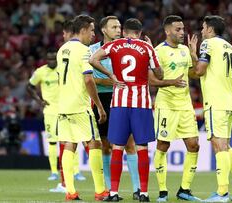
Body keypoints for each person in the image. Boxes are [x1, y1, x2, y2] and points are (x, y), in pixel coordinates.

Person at [90, 18, 163, 202]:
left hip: (119, 103)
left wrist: (111, 75)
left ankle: (113, 192)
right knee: (141, 148)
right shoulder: (146, 48)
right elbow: (159, 75)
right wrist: (151, 51)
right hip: (142, 104)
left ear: (124, 32)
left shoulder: (115, 46)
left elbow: (93, 59)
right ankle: (143, 193)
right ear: (139, 33)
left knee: (117, 148)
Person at [190, 16, 232, 202]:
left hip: (215, 102)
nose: (201, 31)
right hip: (229, 101)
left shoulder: (208, 44)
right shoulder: (230, 47)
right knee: (225, 146)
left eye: (203, 28)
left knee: (219, 146)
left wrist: (193, 54)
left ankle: (222, 192)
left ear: (209, 29)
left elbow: (200, 70)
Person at [56, 14, 114, 201]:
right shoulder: (84, 50)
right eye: (91, 30)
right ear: (82, 30)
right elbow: (88, 79)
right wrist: (99, 106)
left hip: (63, 105)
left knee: (69, 144)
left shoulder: (62, 49)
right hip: (80, 106)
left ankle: (70, 192)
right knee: (94, 143)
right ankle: (100, 191)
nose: (93, 35)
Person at [90, 16, 141, 200]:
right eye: (114, 27)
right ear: (104, 30)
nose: (118, 29)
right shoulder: (93, 50)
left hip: (122, 98)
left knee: (129, 143)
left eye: (119, 26)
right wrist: (110, 80)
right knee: (105, 145)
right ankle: (110, 190)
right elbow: (88, 79)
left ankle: (137, 189)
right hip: (101, 99)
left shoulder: (128, 48)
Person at [151, 15, 200, 202]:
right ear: (167, 31)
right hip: (167, 106)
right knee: (163, 145)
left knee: (194, 145)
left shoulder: (185, 51)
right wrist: (171, 82)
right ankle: (163, 192)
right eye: (178, 29)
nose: (182, 32)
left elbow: (194, 74)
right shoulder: (158, 51)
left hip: (185, 105)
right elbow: (151, 80)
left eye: (183, 29)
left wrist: (194, 56)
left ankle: (184, 190)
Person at [27, 49, 60, 181]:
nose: (52, 61)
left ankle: (75, 172)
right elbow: (29, 86)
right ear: (46, 60)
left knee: (69, 141)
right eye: (49, 59)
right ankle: (54, 172)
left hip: (65, 108)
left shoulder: (63, 69)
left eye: (54, 58)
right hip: (50, 110)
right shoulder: (40, 71)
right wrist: (39, 100)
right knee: (52, 142)